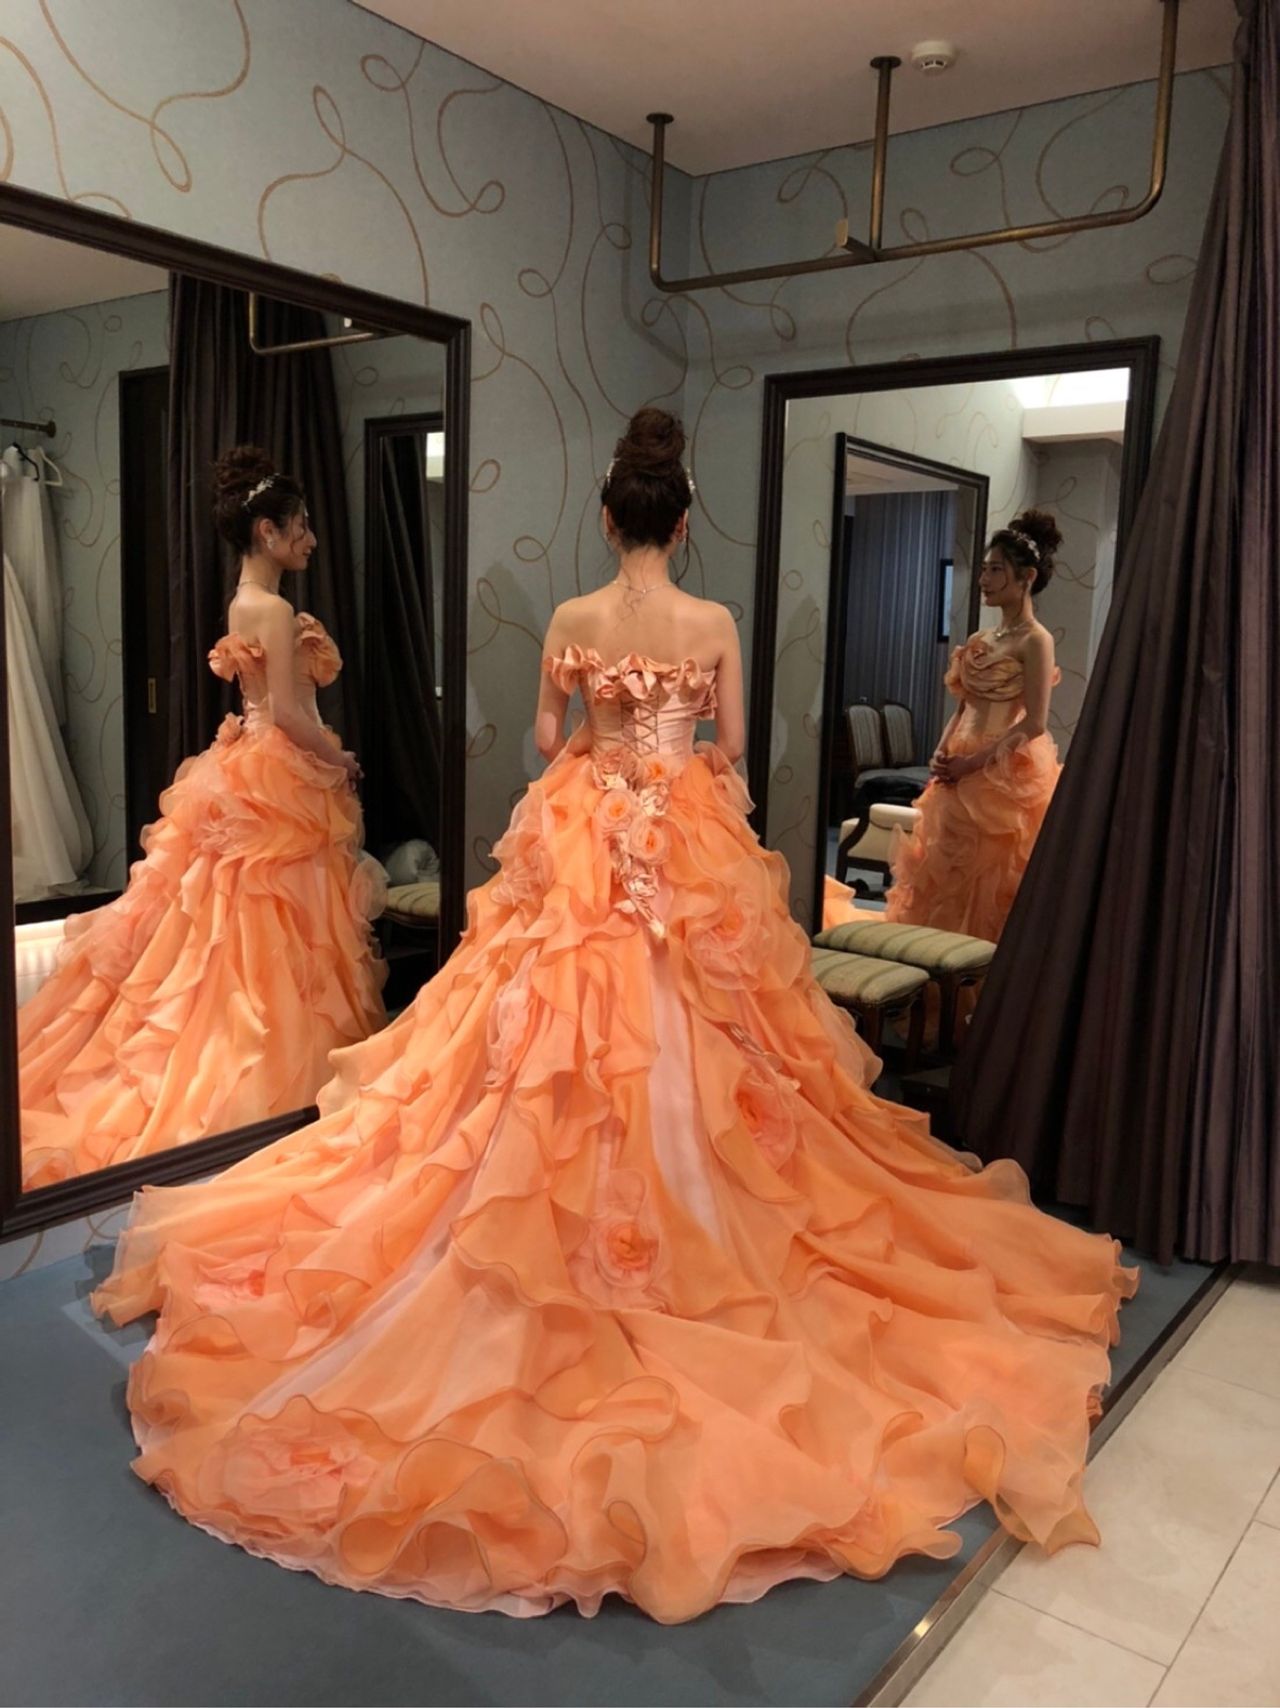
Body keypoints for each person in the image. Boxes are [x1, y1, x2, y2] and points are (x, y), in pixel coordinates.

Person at [94, 416, 1133, 1625]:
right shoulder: (714, 622)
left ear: (605, 517)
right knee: (697, 1033)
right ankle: (689, 1216)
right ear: (681, 521)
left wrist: (602, 741)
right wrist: (667, 756)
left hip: (588, 823)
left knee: (546, 1030)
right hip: (680, 826)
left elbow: (550, 739)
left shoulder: (573, 617)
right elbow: (728, 745)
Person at [19, 447, 386, 1188]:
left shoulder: (242, 602)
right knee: (280, 925)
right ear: (266, 532)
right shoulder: (273, 609)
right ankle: (275, 1078)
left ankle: (246, 1056)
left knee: (230, 928)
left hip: (247, 760)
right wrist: (340, 757)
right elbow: (290, 714)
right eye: (300, 526)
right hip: (280, 771)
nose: (311, 539)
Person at [828, 510, 1064, 942]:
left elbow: (1034, 722)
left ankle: (977, 969)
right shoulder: (979, 640)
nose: (984, 579)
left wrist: (971, 763)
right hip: (956, 768)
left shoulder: (1037, 640)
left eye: (996, 570)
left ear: (1027, 577)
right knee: (943, 870)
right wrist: (940, 751)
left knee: (989, 873)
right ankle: (932, 960)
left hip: (1002, 771)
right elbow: (962, 707)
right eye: (985, 569)